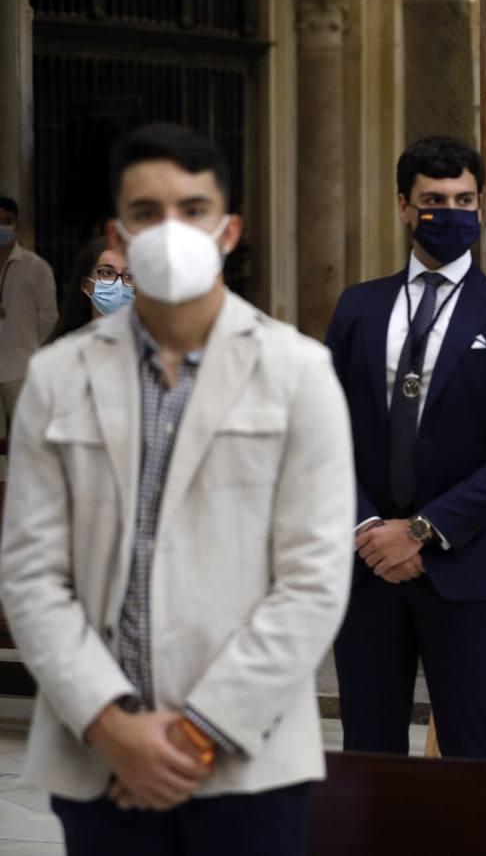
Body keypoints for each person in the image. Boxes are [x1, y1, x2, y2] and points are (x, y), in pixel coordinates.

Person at [0, 123, 355, 856]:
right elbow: (31, 574)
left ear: (228, 230)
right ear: (118, 235)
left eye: (191, 210)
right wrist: (112, 725)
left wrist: (194, 736)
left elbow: (314, 579)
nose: (170, 229)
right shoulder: (59, 376)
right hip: (96, 757)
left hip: (249, 760)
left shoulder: (298, 372)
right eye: (146, 212)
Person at [325, 136, 486, 759]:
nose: (450, 213)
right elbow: (323, 435)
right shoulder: (359, 308)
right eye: (433, 200)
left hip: (467, 563)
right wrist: (371, 527)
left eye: (464, 199)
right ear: (404, 206)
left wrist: (421, 531)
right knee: (368, 748)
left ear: (481, 206)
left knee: (473, 748)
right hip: (366, 563)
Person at [0, 195, 57, 488]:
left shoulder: (35, 266)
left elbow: (49, 318)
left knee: (27, 439)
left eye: (6, 222)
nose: (1, 227)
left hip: (21, 364)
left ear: (17, 225)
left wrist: (36, 354)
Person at [47, 234, 135, 342]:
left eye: (128, 276)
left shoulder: (152, 350)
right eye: (107, 273)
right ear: (86, 285)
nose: (119, 284)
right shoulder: (60, 352)